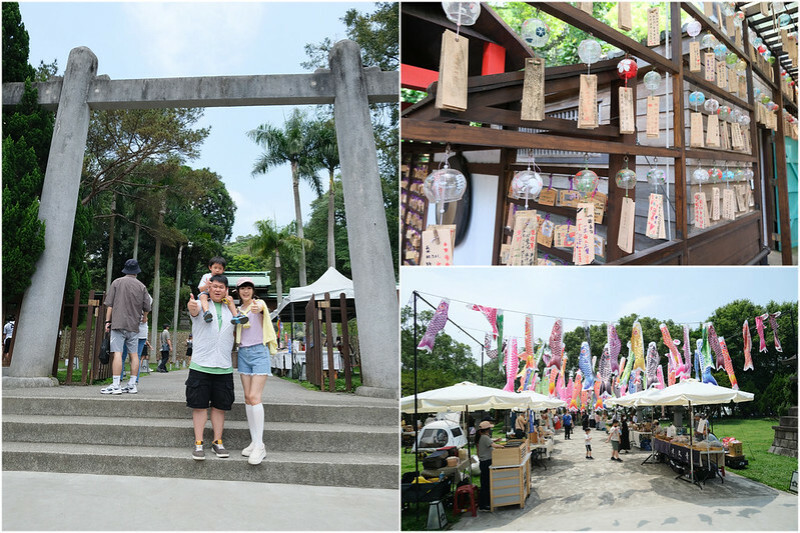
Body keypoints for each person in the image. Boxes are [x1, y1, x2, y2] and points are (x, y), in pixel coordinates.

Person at [186, 274, 236, 460]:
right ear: (209, 288)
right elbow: (193, 310)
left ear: (226, 290)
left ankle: (217, 442)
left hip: (224, 366)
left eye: (221, 287)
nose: (217, 289)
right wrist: (192, 306)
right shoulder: (200, 305)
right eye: (214, 286)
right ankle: (199, 443)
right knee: (199, 407)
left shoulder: (232, 310)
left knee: (219, 407)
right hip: (201, 365)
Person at [234, 277, 278, 466]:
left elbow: (260, 308)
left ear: (253, 291)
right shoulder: (238, 310)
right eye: (242, 288)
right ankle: (254, 441)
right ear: (238, 291)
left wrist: (258, 307)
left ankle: (260, 446)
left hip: (259, 352)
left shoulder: (258, 304)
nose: (246, 291)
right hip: (243, 353)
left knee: (255, 397)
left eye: (248, 288)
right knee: (247, 397)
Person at [100, 259, 152, 395]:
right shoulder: (142, 286)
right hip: (134, 325)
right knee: (134, 354)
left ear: (125, 270)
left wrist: (107, 321)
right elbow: (147, 306)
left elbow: (110, 304)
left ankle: (116, 384)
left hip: (118, 324)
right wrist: (144, 317)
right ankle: (132, 384)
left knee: (118, 353)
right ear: (136, 271)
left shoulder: (117, 282)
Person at [197, 256, 247, 325]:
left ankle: (236, 315)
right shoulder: (206, 276)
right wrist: (207, 285)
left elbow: (225, 291)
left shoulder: (223, 279)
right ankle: (206, 312)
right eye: (215, 268)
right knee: (203, 296)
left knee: (230, 298)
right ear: (210, 267)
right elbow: (200, 289)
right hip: (206, 294)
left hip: (219, 297)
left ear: (223, 270)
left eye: (220, 268)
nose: (217, 270)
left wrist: (227, 298)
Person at [476, 420, 504, 512]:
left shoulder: (483, 437)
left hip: (484, 462)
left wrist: (496, 441)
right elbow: (493, 445)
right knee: (486, 484)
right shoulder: (484, 437)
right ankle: (484, 504)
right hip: (485, 462)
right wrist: (502, 447)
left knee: (486, 483)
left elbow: (490, 442)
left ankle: (485, 503)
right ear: (487, 430)